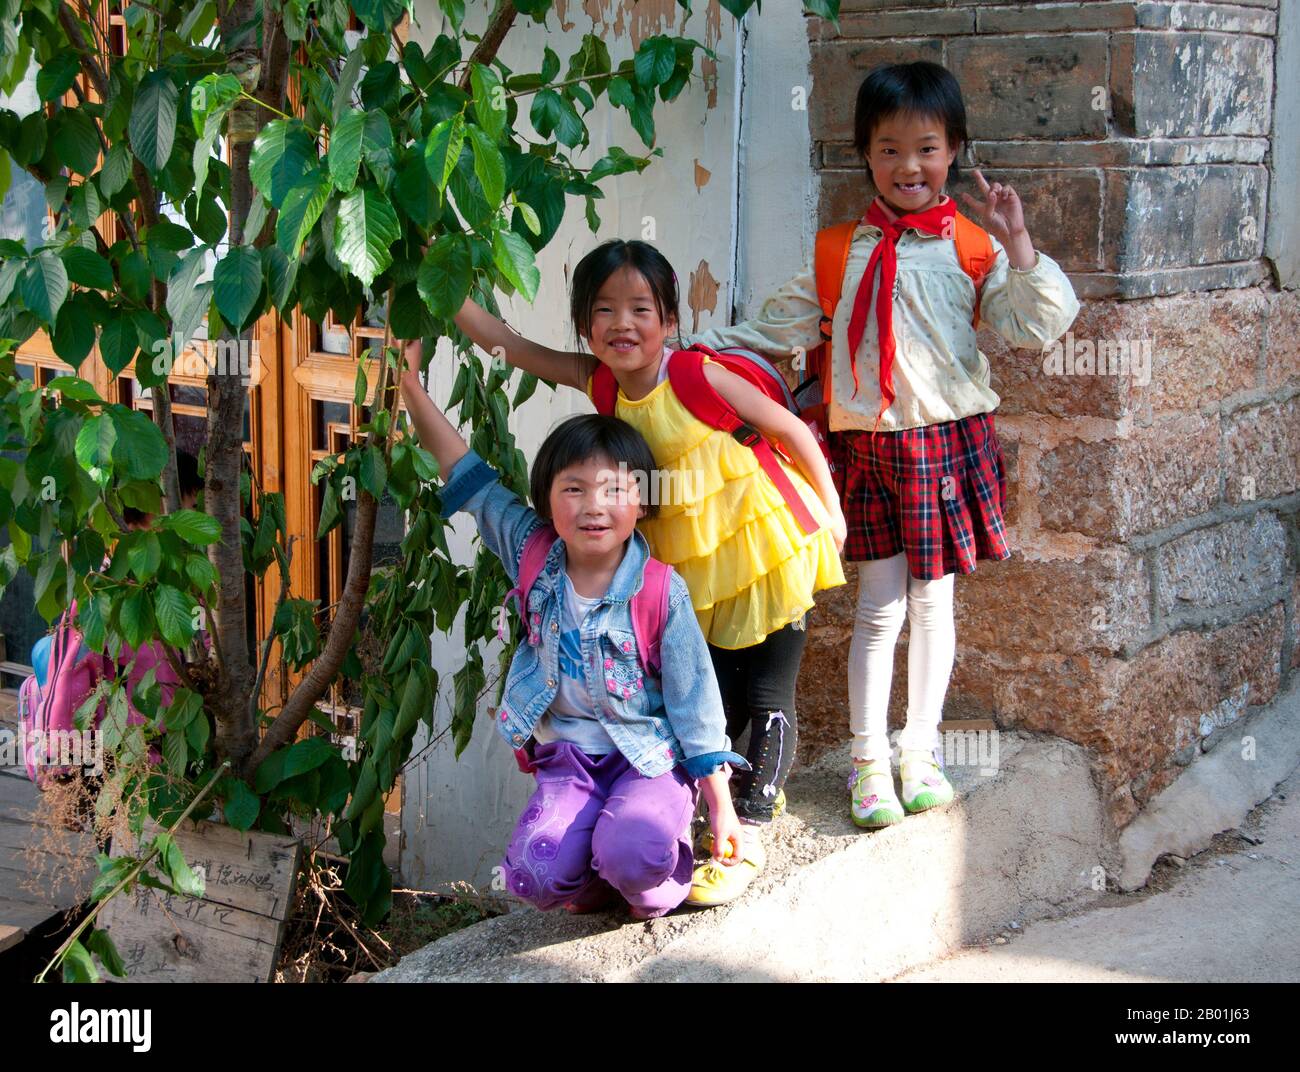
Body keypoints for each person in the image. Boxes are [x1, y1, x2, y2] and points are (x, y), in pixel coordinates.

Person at [683, 61, 1080, 827]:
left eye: (926, 148)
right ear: (866, 153)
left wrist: (1018, 239)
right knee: (878, 608)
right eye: (889, 148)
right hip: (868, 451)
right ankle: (869, 763)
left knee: (936, 605)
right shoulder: (839, 253)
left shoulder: (972, 248)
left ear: (954, 150)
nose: (909, 165)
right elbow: (769, 331)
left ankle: (920, 752)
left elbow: (1037, 324)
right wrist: (684, 352)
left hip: (945, 446)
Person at [443, 240, 846, 906]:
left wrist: (831, 512)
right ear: (583, 326)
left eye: (640, 309)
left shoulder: (693, 374)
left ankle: (752, 824)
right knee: (715, 695)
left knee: (769, 693)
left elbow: (790, 430)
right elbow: (508, 345)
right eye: (604, 310)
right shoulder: (600, 383)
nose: (622, 324)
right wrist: (435, 276)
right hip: (692, 567)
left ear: (668, 320)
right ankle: (695, 820)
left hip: (764, 544)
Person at [400, 348, 749, 919]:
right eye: (574, 489)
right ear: (547, 497)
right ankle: (597, 874)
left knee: (634, 857)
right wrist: (410, 386)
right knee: (533, 879)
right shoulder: (533, 553)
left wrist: (723, 809)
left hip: (650, 761)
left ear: (642, 500)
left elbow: (696, 705)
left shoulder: (661, 590)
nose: (594, 507)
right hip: (571, 763)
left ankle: (652, 875)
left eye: (614, 489)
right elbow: (466, 474)